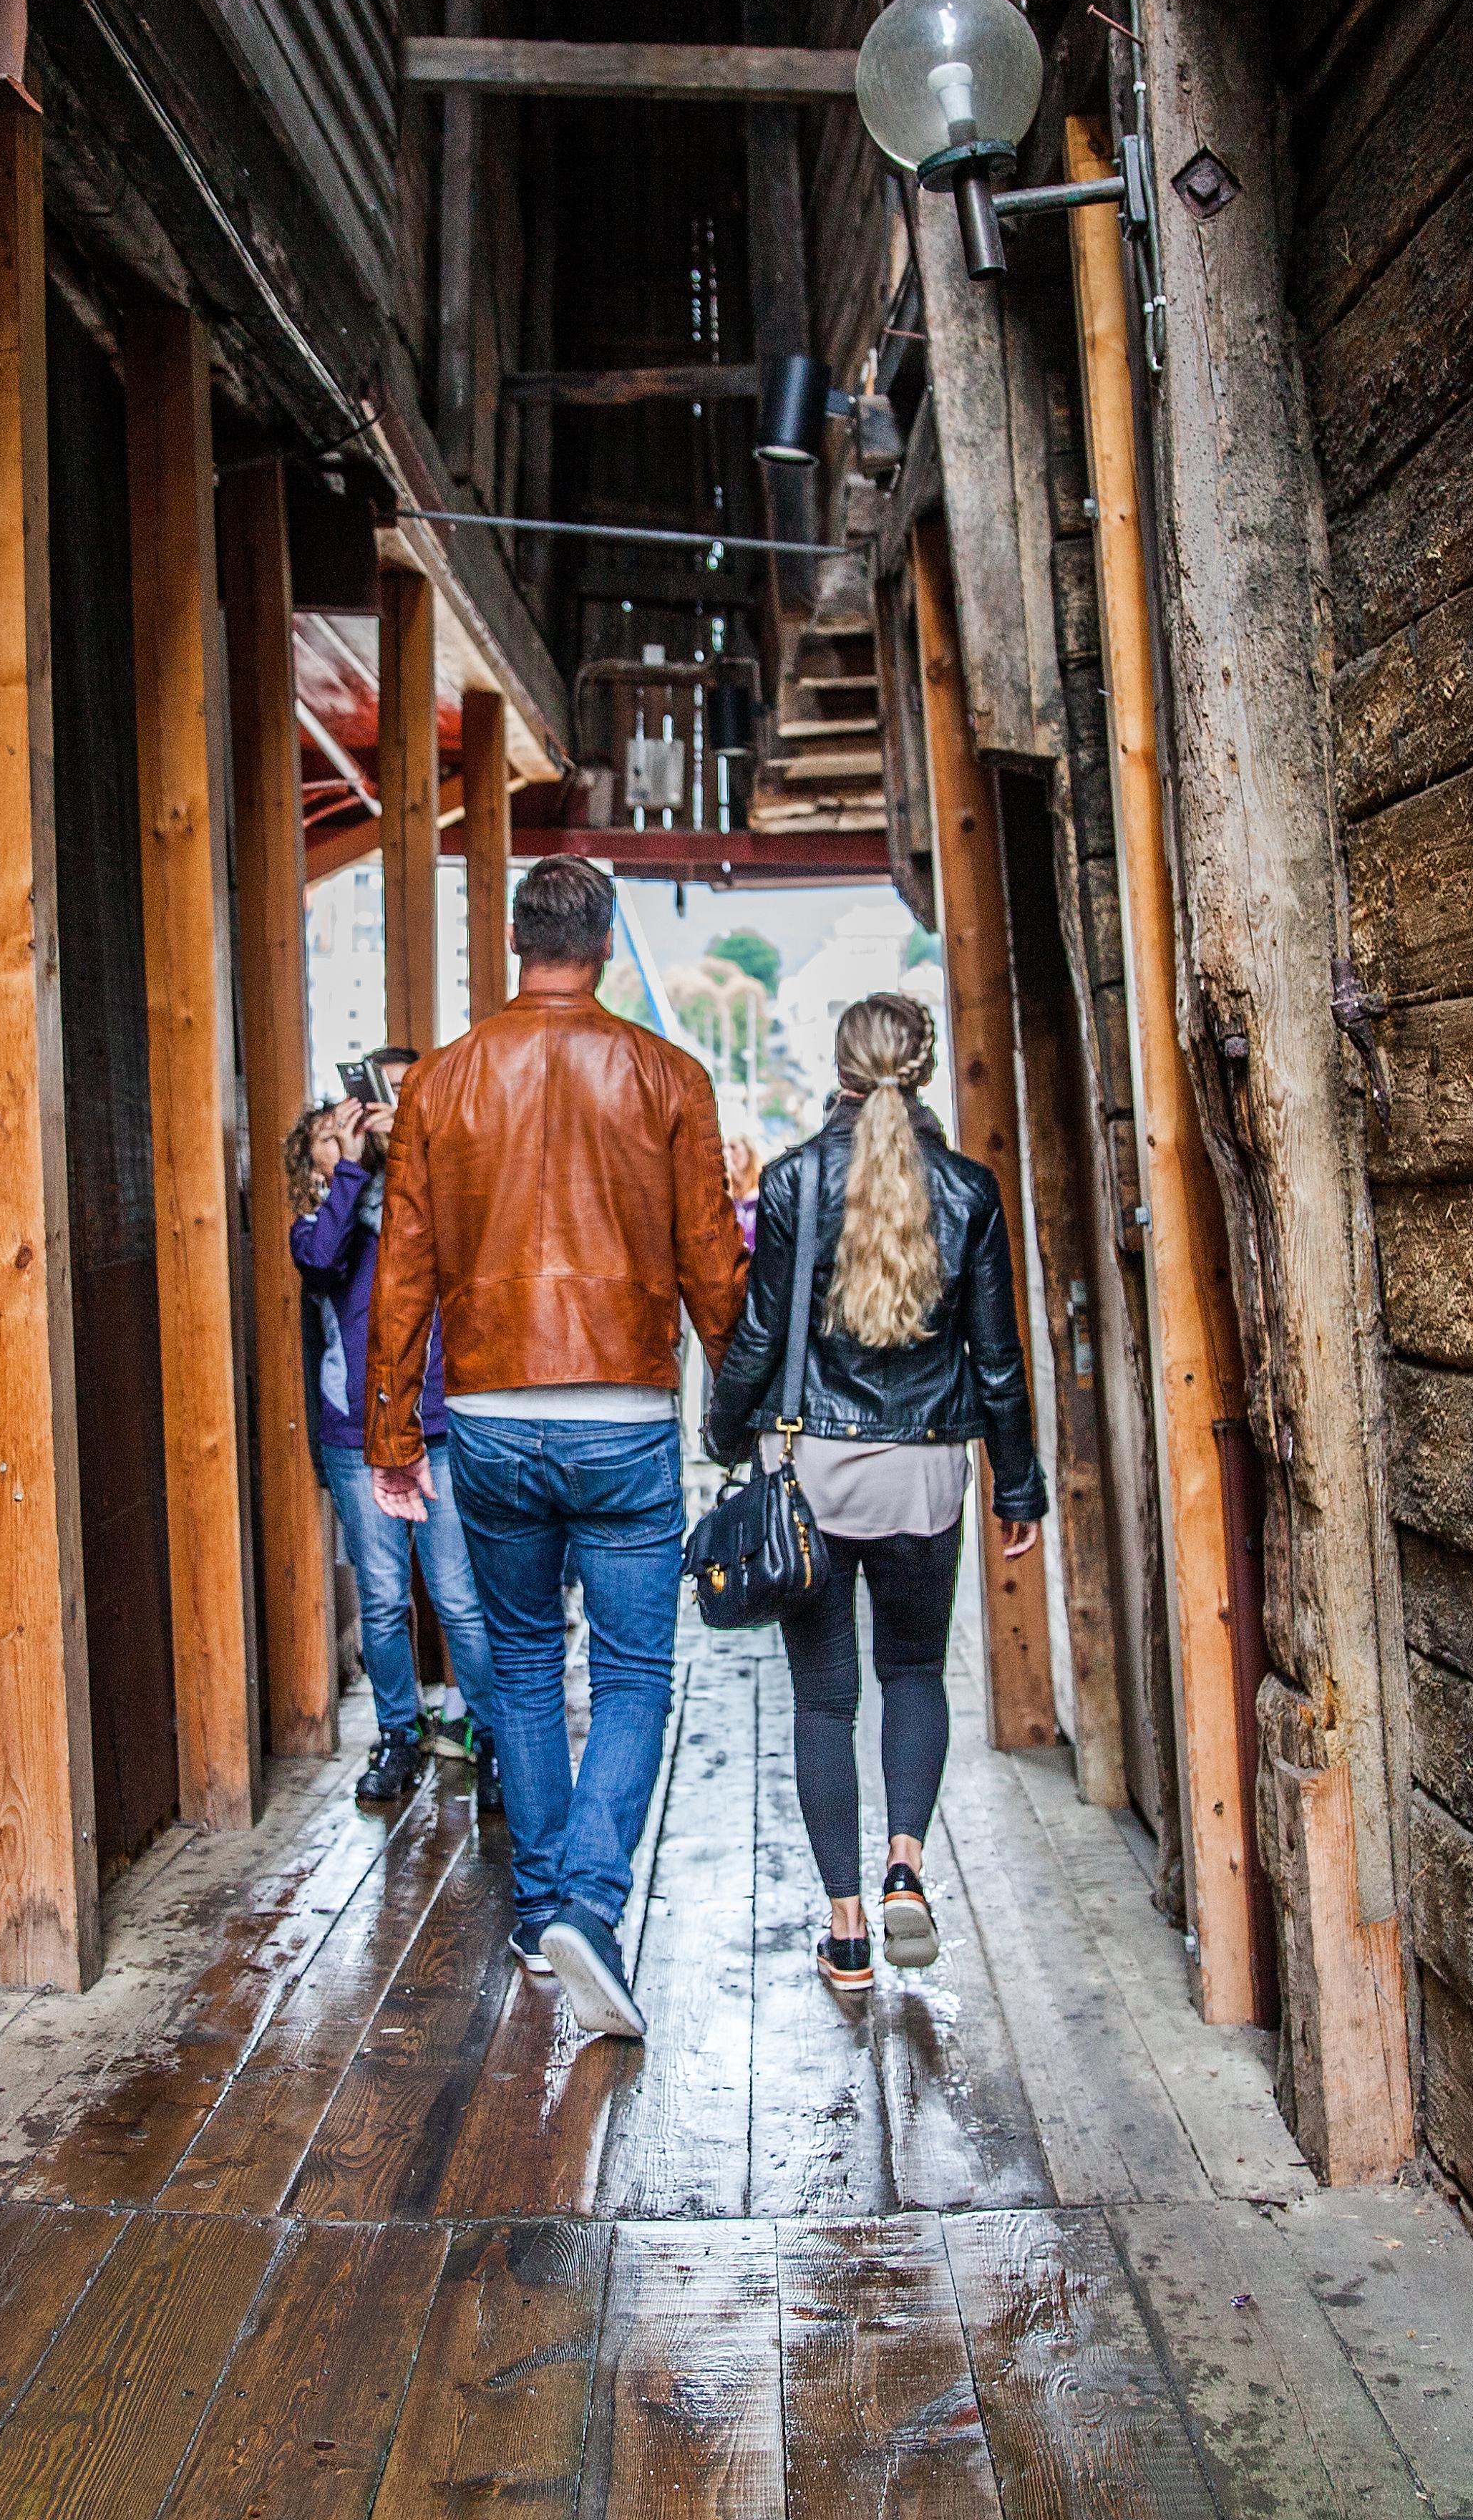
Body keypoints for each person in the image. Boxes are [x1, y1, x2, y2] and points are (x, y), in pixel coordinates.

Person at [366, 855, 747, 2037]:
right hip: (628, 1415)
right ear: (605, 944)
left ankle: (541, 1917)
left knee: (527, 1665)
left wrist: (392, 1431)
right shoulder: (668, 1073)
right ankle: (588, 1898)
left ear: (517, 941)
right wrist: (740, 1404)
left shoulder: (439, 1083)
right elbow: (712, 1266)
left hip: (483, 1413)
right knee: (633, 1673)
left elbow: (405, 1272)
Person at [704, 993, 1045, 1995]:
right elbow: (996, 1360)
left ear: (841, 1069)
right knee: (911, 1673)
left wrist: (724, 1433)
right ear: (924, 1068)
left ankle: (845, 1927)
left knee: (822, 1696)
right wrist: (1014, 1487)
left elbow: (761, 1338)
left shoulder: (794, 1180)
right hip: (928, 1474)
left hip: (811, 1470)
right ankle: (906, 1865)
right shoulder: (970, 1190)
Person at [289, 1077, 492, 1812]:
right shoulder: (319, 1221)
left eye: (348, 1127)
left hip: (438, 1422)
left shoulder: (418, 1202)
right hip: (357, 1433)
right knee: (380, 1599)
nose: (341, 1138)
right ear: (311, 1164)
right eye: (322, 1135)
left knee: (458, 1597)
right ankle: (397, 1735)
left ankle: (491, 1736)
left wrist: (406, 1134)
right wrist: (347, 1168)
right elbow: (321, 1261)